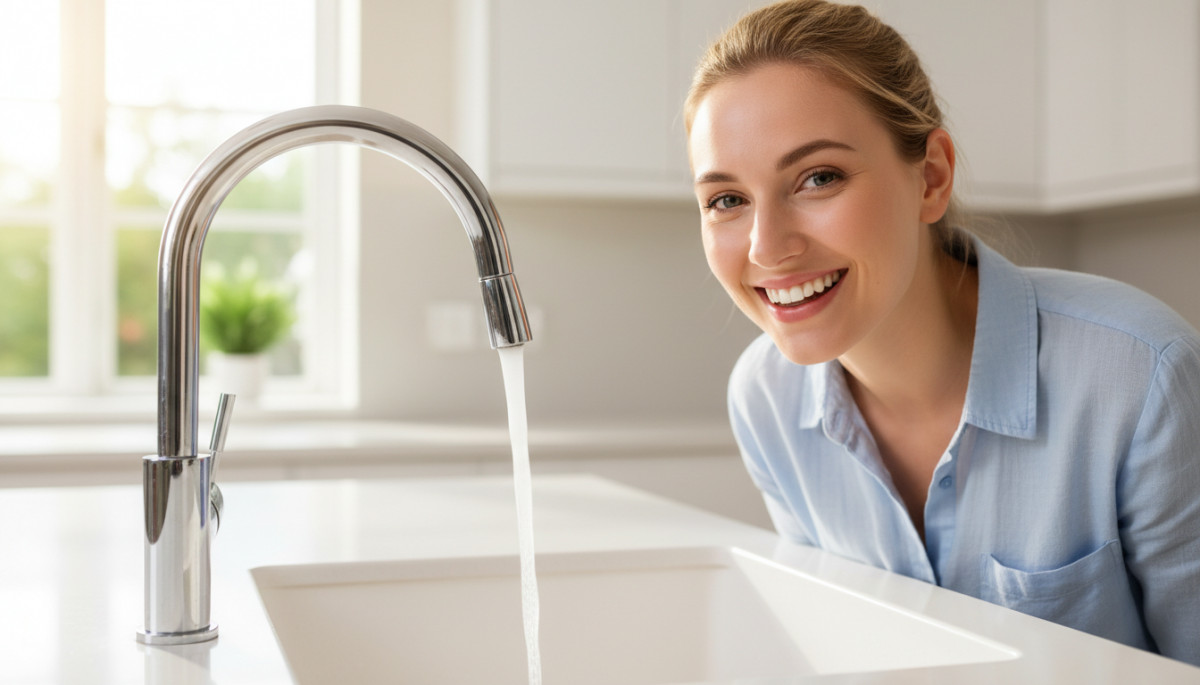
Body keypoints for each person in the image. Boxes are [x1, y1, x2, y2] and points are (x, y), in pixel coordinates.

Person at [684, 0, 1200, 666]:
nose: (768, 247)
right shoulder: (765, 401)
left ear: (931, 177)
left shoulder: (1140, 376)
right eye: (727, 199)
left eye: (819, 178)